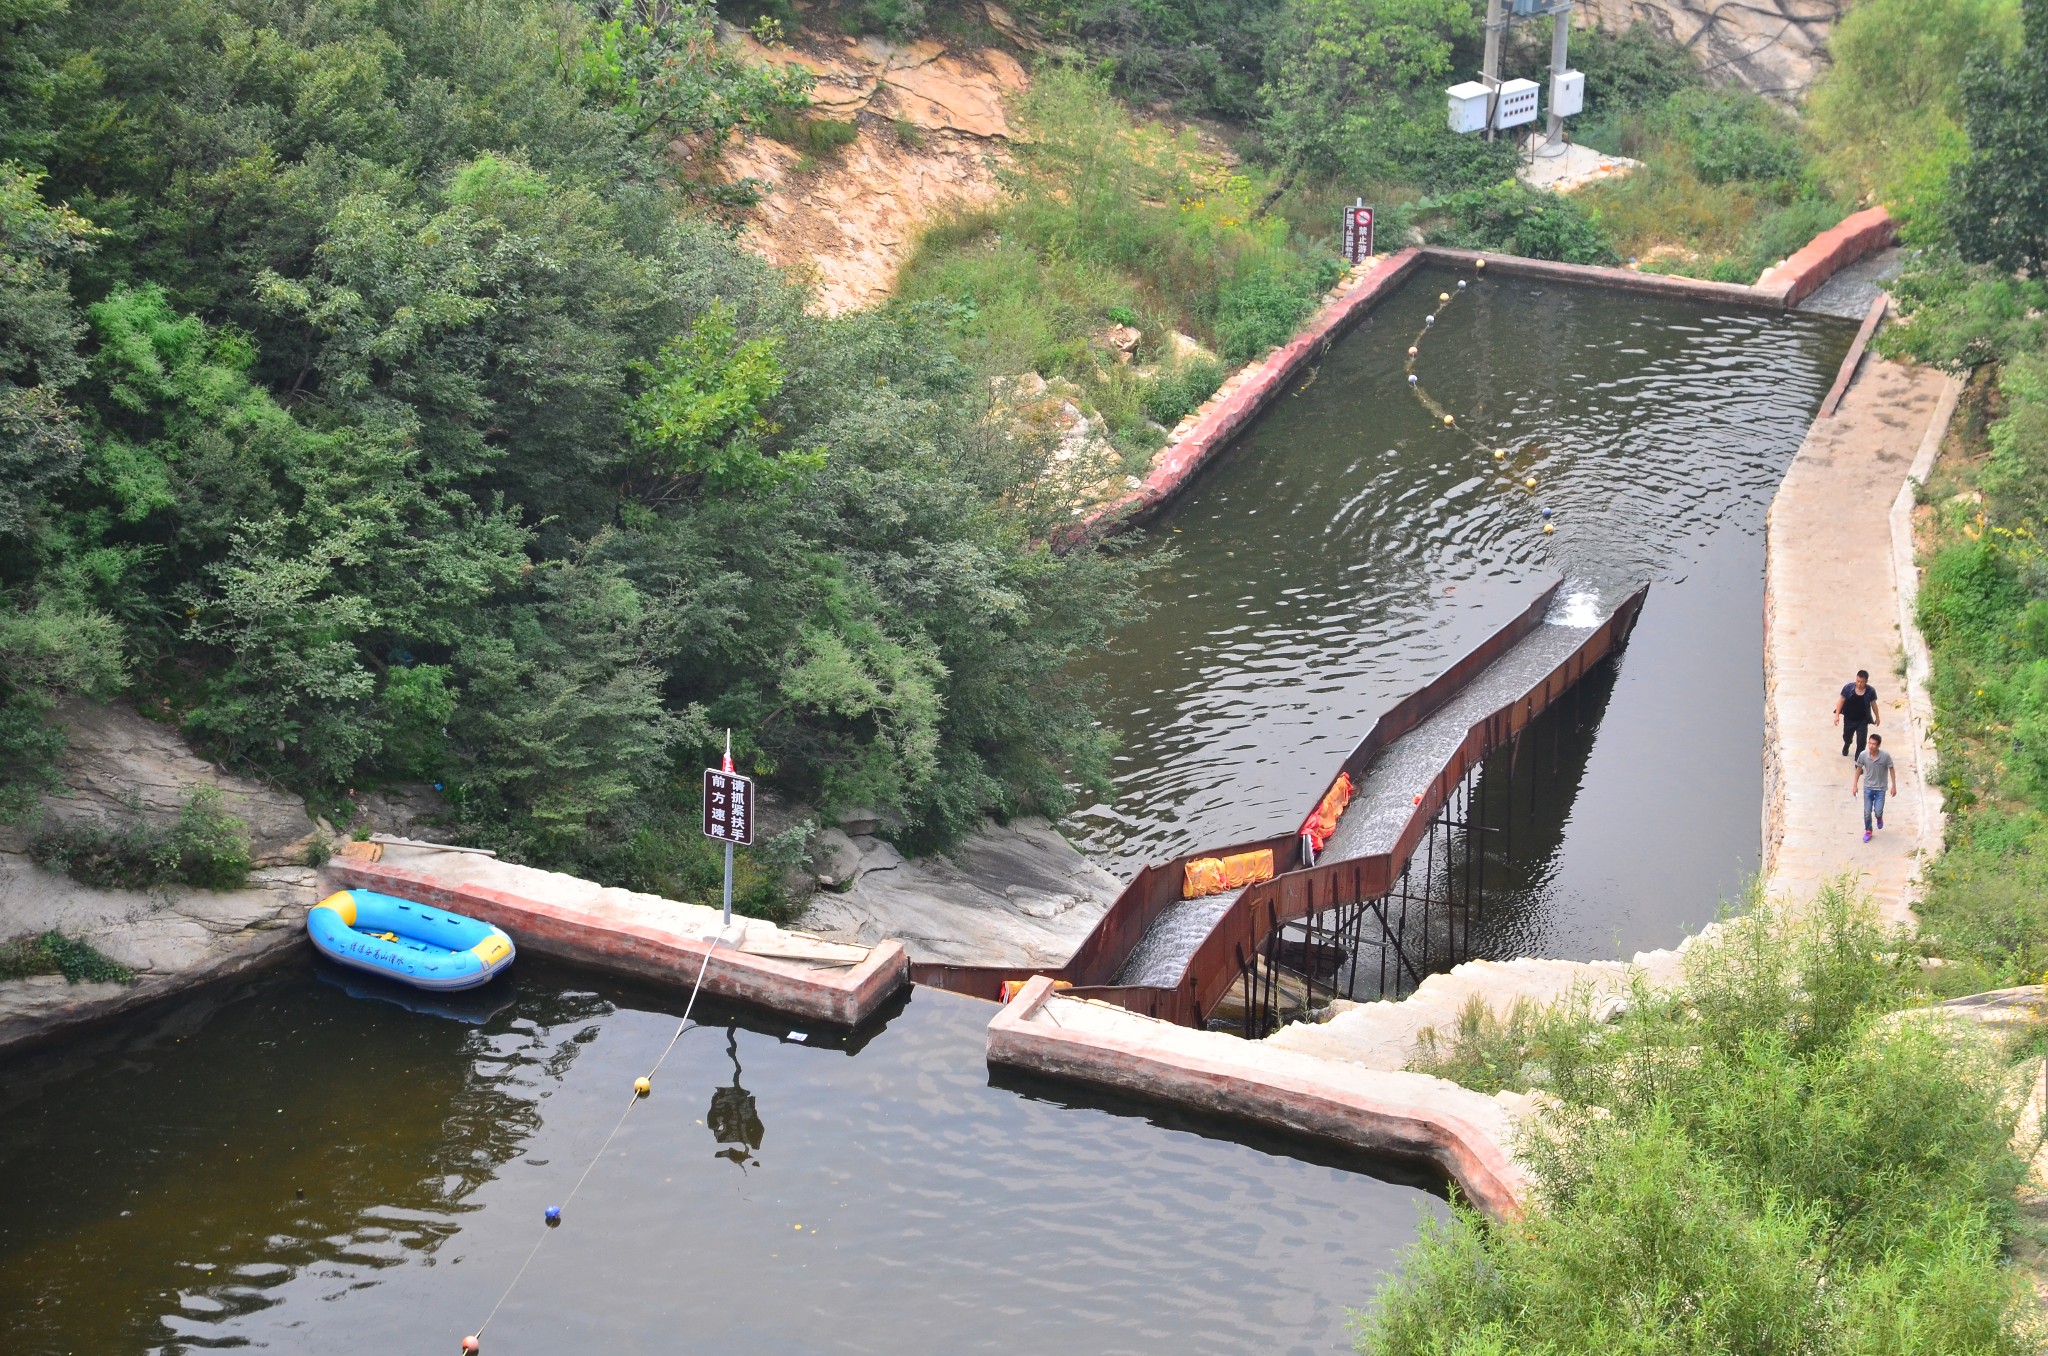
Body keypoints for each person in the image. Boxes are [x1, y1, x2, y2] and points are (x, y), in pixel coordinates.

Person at [1852, 732, 1897, 843]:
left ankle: (1879, 817)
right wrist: (1855, 785)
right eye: (1870, 743)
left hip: (1881, 789)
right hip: (1868, 787)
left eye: (1874, 744)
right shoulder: (1863, 755)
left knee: (1877, 811)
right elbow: (1858, 769)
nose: (1871, 746)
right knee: (1867, 812)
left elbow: (1891, 769)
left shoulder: (1885, 756)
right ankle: (1868, 830)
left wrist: (1893, 786)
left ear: (1879, 745)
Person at [1834, 669, 1879, 758]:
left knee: (1861, 741)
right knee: (1847, 736)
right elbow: (1841, 701)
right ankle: (1847, 744)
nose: (1859, 684)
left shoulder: (1870, 691)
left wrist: (1877, 717)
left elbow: (1874, 704)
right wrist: (1837, 715)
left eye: (1862, 682)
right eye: (1858, 681)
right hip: (1849, 718)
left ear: (1866, 681)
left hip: (1862, 720)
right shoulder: (1848, 688)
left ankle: (1858, 762)